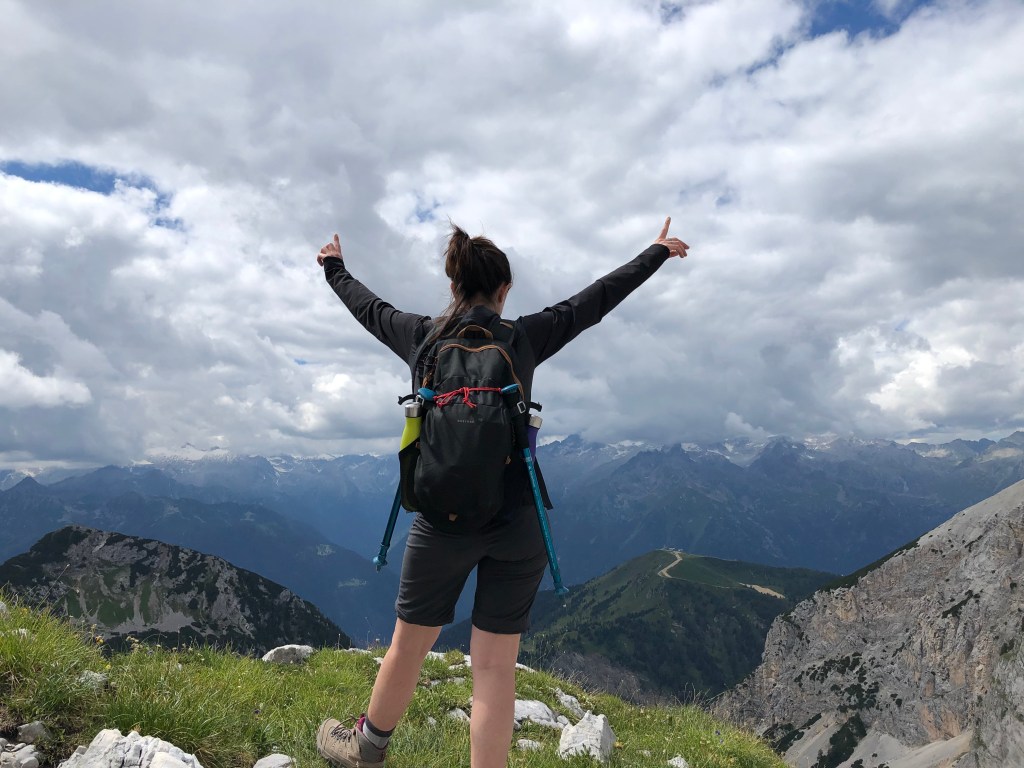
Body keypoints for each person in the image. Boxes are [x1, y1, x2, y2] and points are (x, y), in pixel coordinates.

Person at [314, 217, 690, 768]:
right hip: (517, 521)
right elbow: (595, 299)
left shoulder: (422, 338)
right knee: (494, 666)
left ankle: (365, 750)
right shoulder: (524, 337)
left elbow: (367, 307)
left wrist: (334, 267)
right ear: (504, 290)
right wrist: (655, 252)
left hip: (440, 521)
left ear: (453, 286)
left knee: (409, 646)